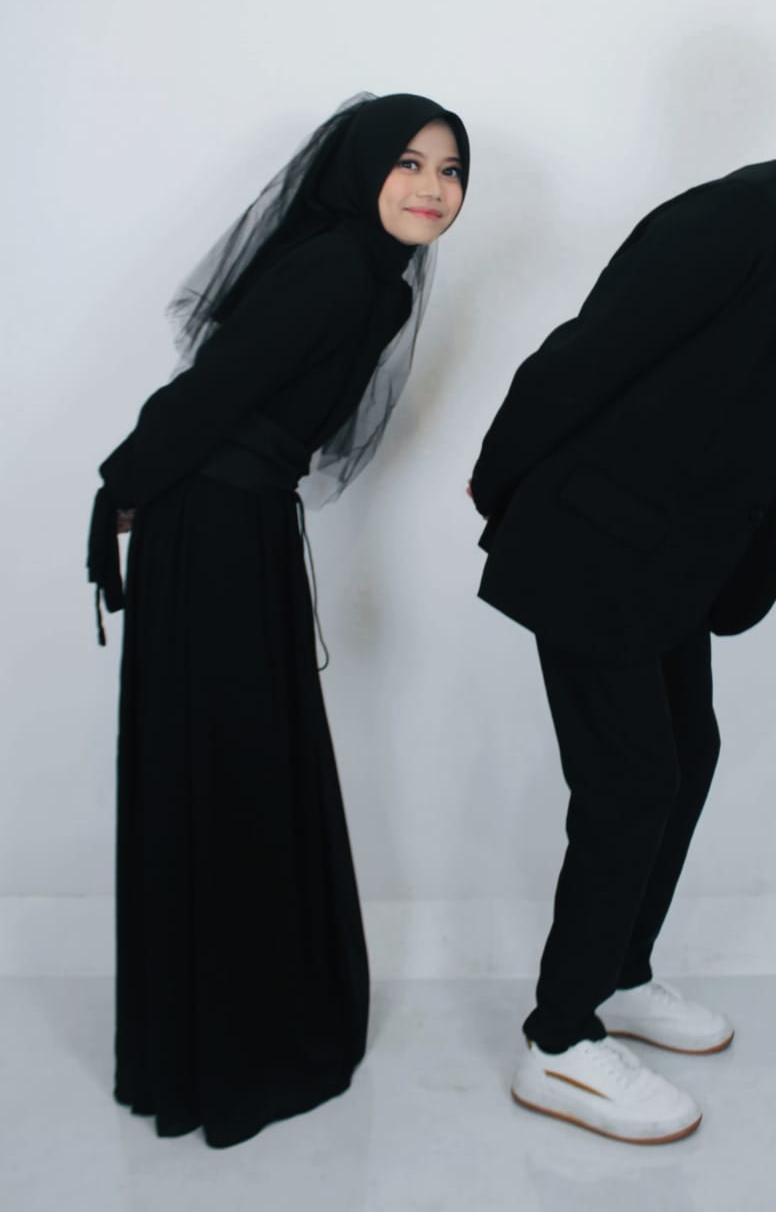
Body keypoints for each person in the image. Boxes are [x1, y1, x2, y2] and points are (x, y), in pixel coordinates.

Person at [469, 0, 776, 1144]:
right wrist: (509, 500)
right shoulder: (743, 216)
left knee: (686, 755)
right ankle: (558, 1041)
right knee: (632, 781)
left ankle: (618, 972)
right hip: (595, 549)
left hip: (672, 564)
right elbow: (578, 359)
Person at [87, 92, 470, 1148]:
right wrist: (122, 485)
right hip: (211, 523)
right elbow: (215, 392)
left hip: (236, 520)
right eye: (409, 162)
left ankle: (231, 1034)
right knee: (229, 759)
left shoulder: (374, 281)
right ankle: (232, 1049)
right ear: (359, 169)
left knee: (240, 758)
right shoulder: (340, 268)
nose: (433, 187)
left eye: (450, 170)